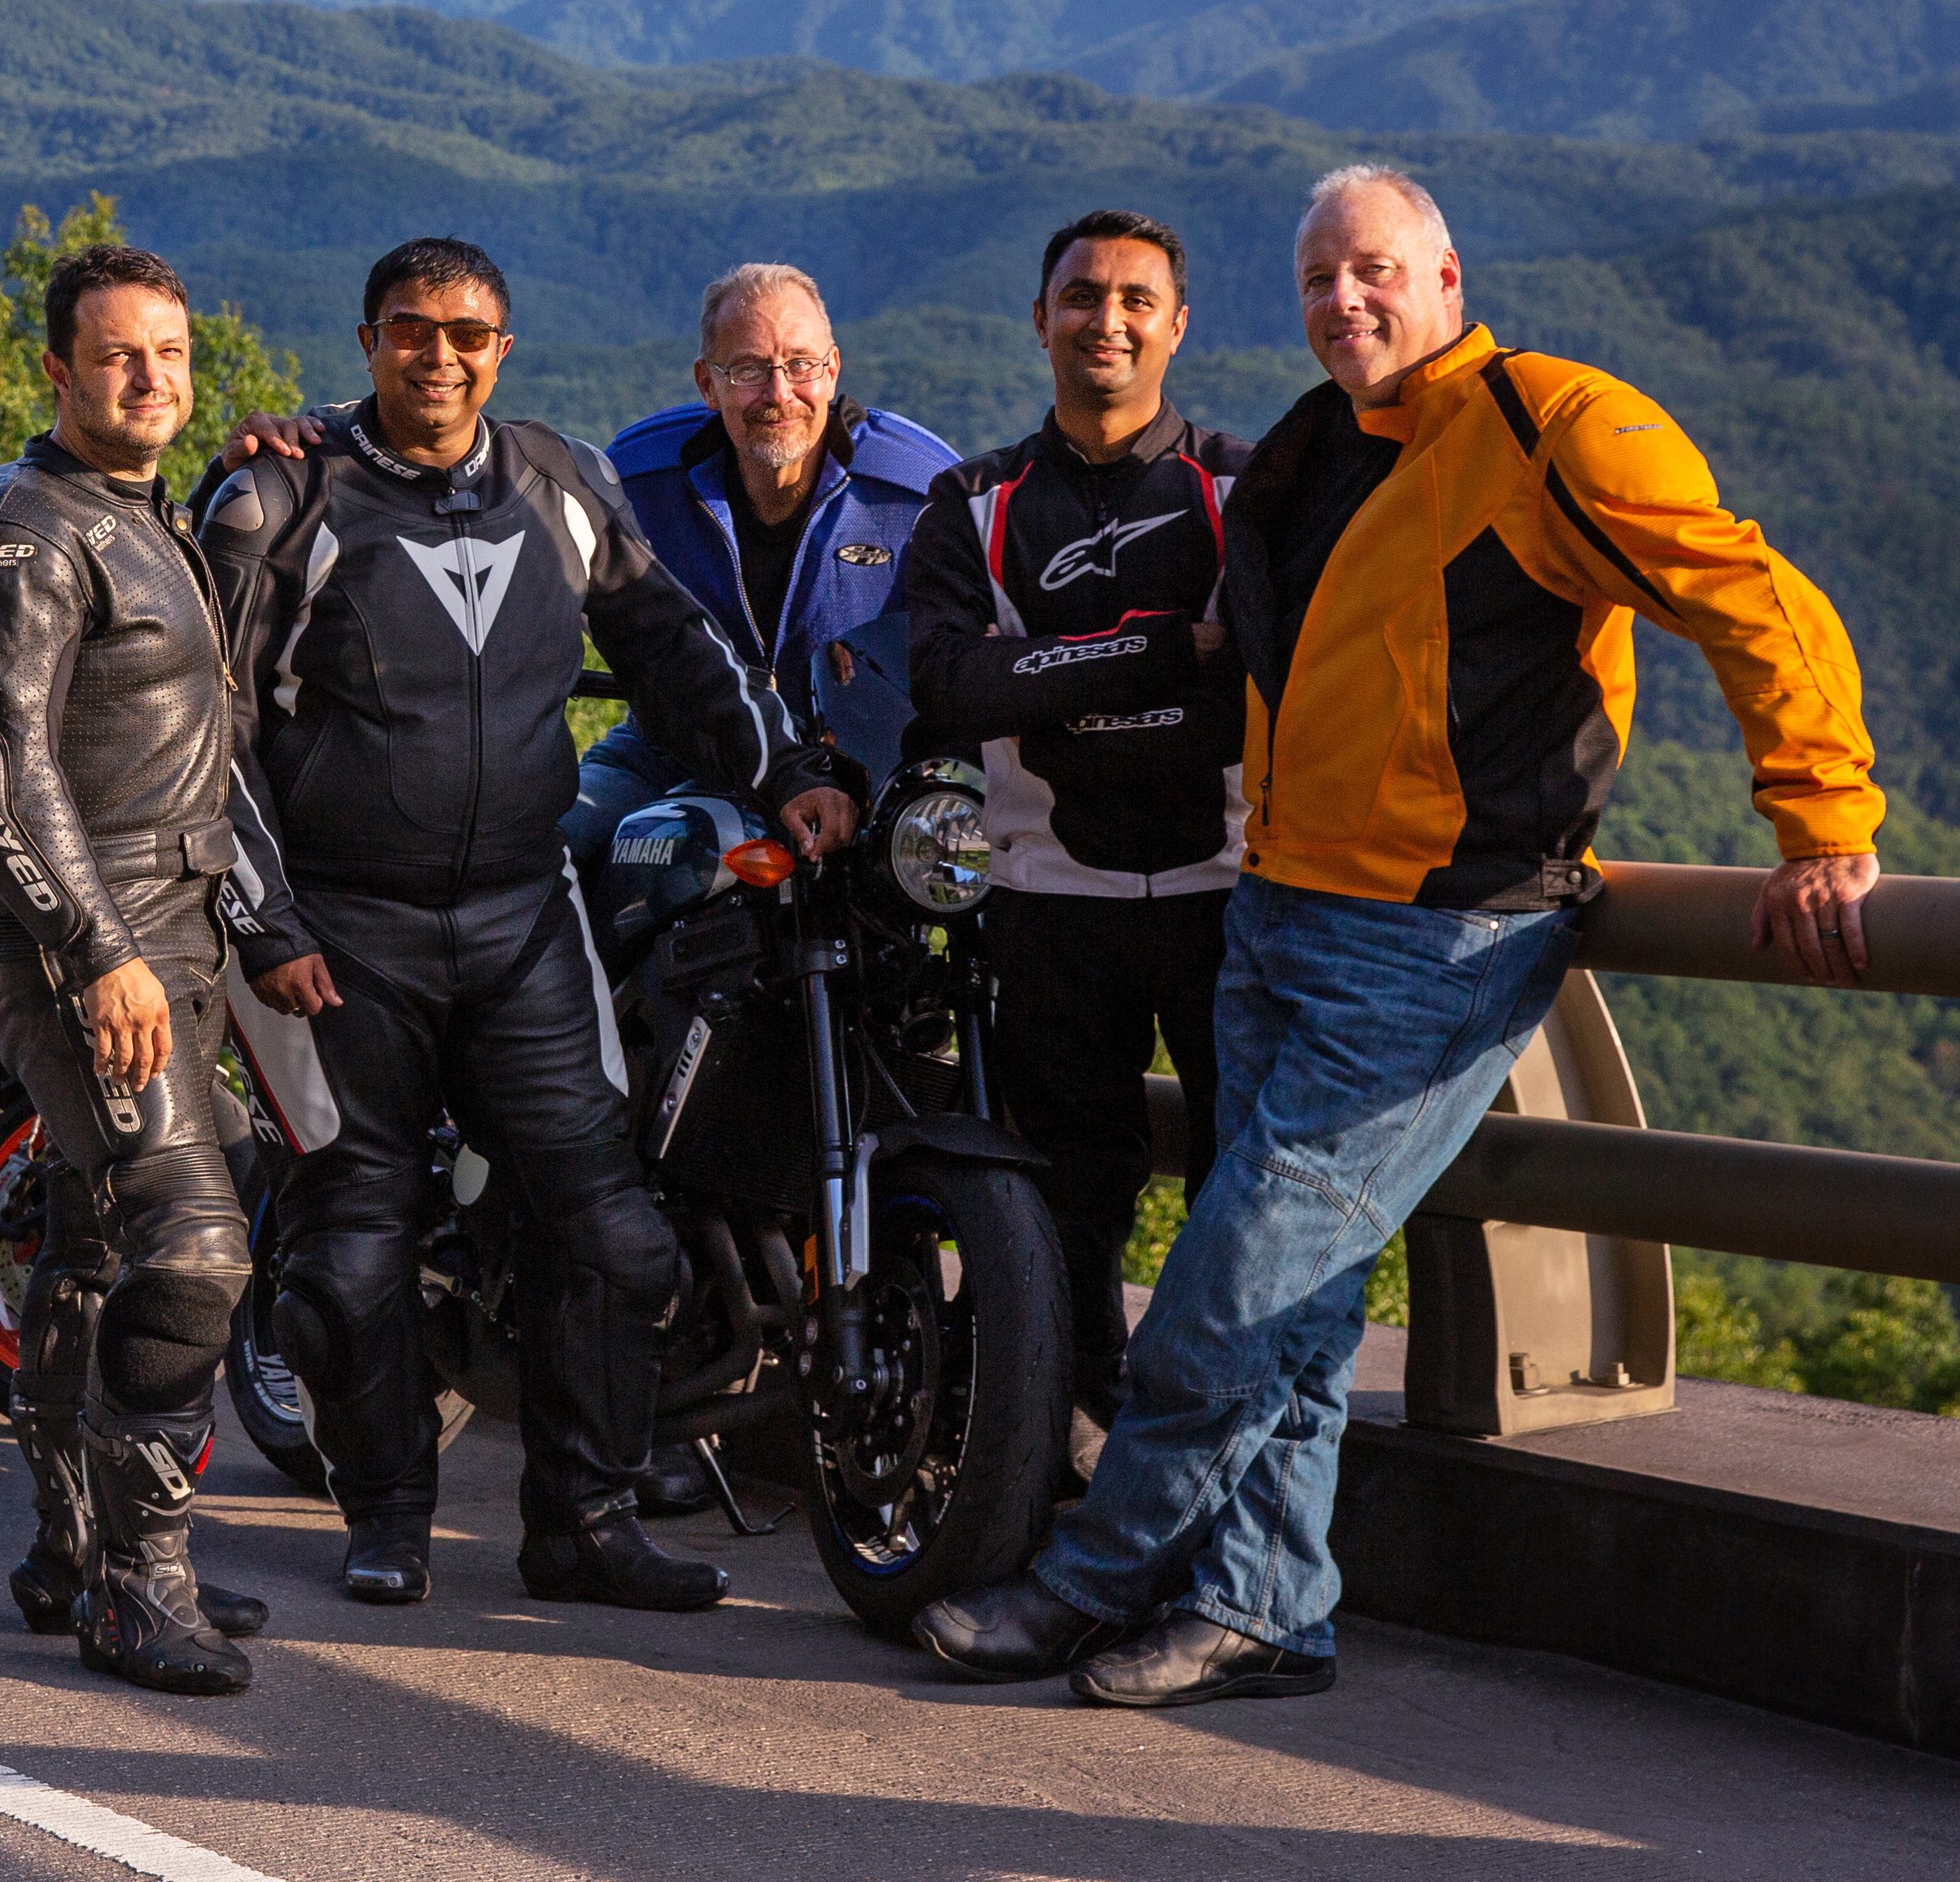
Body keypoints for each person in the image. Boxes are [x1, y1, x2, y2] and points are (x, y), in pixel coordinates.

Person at [916, 165, 1887, 1710]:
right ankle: (1265, 1607)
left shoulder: (1554, 426)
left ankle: (1090, 1582)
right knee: (1297, 1307)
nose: (1343, 302)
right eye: (1316, 280)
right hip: (1282, 909)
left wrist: (1824, 821)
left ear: (1448, 275)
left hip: (1440, 939)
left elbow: (1749, 596)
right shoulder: (1320, 452)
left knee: (1230, 1276)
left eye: (1372, 271)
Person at [199, 237, 859, 1614]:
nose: (437, 356)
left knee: (612, 1231)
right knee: (353, 1243)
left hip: (520, 916)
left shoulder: (557, 481)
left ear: (503, 350)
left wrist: (787, 771)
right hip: (338, 931)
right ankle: (385, 1515)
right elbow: (214, 732)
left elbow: (675, 645)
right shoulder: (279, 495)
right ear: (369, 338)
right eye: (409, 330)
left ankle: (584, 1525)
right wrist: (265, 918)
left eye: (468, 333)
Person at [0, 240, 337, 1699]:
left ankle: (74, 1548)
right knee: (195, 1248)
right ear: (57, 371)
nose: (149, 377)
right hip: (85, 954)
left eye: (168, 352)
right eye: (118, 355)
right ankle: (135, 1586)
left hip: (182, 941)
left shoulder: (139, 514)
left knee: (99, 1246)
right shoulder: (22, 535)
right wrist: (96, 954)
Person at [895, 208, 1246, 1451]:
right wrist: (1160, 646)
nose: (1108, 320)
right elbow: (953, 688)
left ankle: (1191, 1448)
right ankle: (1069, 1448)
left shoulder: (1239, 487)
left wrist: (1042, 666)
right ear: (1040, 318)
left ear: (1177, 324)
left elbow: (1263, 659)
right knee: (1068, 1209)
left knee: (1236, 1199)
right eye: (1082, 296)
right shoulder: (973, 502)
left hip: (1229, 897)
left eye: (1135, 299)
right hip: (1046, 905)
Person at [568, 264, 960, 911]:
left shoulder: (918, 490)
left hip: (867, 770)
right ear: (707, 385)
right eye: (748, 370)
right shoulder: (637, 481)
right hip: (673, 753)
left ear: (833, 371)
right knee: (555, 847)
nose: (778, 393)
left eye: (801, 365)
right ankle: (588, 1012)